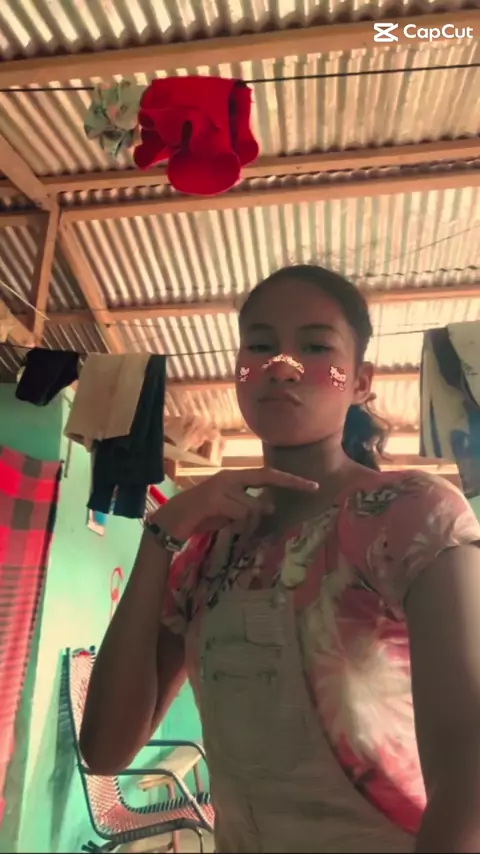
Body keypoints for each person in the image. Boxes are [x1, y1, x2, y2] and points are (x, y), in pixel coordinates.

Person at [80, 265, 480, 853]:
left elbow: (469, 779)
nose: (282, 366)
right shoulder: (205, 551)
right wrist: (158, 537)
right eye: (261, 346)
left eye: (316, 347)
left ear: (361, 381)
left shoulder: (414, 515)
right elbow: (104, 749)